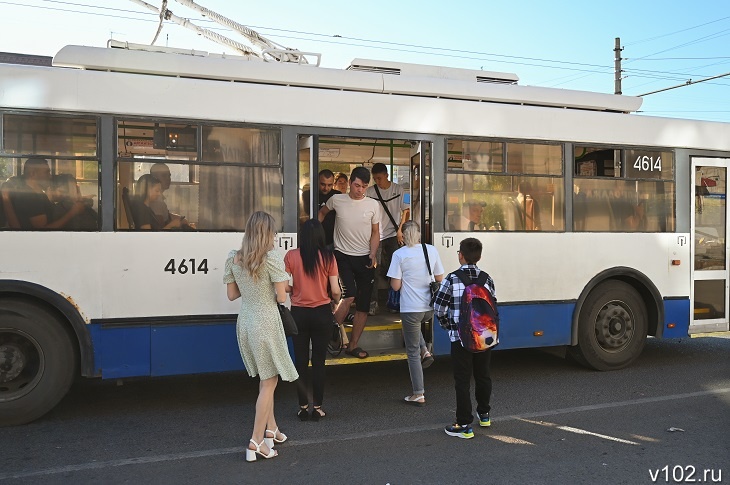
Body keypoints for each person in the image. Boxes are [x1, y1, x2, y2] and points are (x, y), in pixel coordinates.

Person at [223, 211, 298, 462]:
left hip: (245, 321)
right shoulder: (272, 258)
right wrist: (281, 286)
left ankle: (272, 429)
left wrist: (252, 288)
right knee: (269, 382)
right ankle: (256, 442)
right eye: (274, 232)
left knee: (267, 377)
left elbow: (232, 295)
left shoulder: (234, 258)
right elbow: (281, 297)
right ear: (267, 233)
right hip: (266, 322)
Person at [433, 237, 496, 439]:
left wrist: (448, 326)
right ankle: (484, 414)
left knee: (462, 380)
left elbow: (439, 307)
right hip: (484, 337)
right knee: (483, 375)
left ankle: (463, 424)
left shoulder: (452, 279)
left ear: (460, 255)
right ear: (479, 256)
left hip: (460, 338)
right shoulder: (487, 279)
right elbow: (492, 306)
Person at [318, 166, 380, 359]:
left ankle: (352, 345)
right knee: (349, 295)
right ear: (350, 183)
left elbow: (376, 232)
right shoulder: (337, 200)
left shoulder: (373, 205)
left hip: (364, 258)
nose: (359, 190)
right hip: (341, 254)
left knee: (363, 305)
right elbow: (321, 214)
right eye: (356, 185)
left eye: (363, 186)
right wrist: (315, 239)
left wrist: (373, 253)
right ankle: (326, 335)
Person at [284, 219, 340, 422]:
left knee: (300, 361)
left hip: (298, 313)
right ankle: (317, 407)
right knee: (318, 362)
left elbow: (283, 285)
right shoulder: (328, 257)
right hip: (322, 313)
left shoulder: (291, 255)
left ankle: (302, 407)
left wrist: (294, 290)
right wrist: (335, 300)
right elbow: (335, 290)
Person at [387, 221, 444, 406]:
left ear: (402, 236)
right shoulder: (431, 250)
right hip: (429, 308)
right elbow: (439, 278)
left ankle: (418, 393)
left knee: (412, 352)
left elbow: (395, 286)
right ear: (419, 234)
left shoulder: (399, 254)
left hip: (411, 308)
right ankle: (425, 350)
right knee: (414, 327)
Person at [366, 162, 409, 315]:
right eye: (375, 179)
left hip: (393, 234)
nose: (378, 181)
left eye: (380, 178)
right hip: (375, 235)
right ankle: (373, 302)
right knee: (373, 270)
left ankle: (394, 301)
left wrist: (400, 230)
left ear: (387, 175)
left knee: (395, 268)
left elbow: (406, 210)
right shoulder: (370, 191)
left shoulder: (399, 189)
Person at [10, 156, 86, 230]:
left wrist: (52, 200)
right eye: (47, 172)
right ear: (32, 174)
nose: (50, 176)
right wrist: (73, 212)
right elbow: (44, 230)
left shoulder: (37, 193)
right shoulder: (30, 198)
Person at [301, 169, 341, 247]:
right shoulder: (308, 195)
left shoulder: (337, 195)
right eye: (323, 184)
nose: (326, 188)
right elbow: (305, 214)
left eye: (329, 185)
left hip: (332, 240)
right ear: (317, 182)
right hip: (313, 238)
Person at [149, 163, 192, 229]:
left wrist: (180, 218)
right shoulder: (156, 201)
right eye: (164, 175)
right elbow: (161, 228)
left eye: (169, 176)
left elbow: (166, 215)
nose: (168, 179)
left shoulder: (159, 199)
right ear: (154, 178)